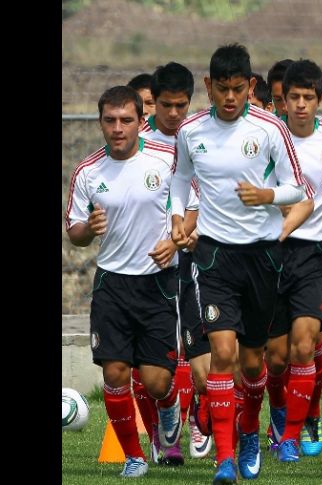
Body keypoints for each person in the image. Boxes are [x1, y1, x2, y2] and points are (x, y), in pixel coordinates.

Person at [170, 43, 314, 484]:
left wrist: (267, 195)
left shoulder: (271, 128)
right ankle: (225, 460)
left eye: (238, 90)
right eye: (222, 90)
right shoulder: (191, 131)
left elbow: (298, 189)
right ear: (209, 87)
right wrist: (178, 216)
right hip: (214, 255)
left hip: (264, 255)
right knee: (224, 354)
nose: (230, 99)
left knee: (256, 364)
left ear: (250, 86)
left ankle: (251, 427)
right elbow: (179, 178)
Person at [65, 85, 182, 478]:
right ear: (100, 122)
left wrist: (175, 239)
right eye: (110, 120)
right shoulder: (87, 171)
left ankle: (168, 406)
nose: (118, 128)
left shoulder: (167, 160)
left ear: (140, 122)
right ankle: (133, 456)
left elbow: (192, 207)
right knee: (114, 372)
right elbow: (75, 231)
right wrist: (88, 229)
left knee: (156, 380)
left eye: (126, 120)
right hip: (112, 283)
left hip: (157, 280)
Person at [260, 59, 322, 462]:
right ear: (283, 100)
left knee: (304, 345)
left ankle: (293, 432)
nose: (302, 105)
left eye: (309, 97)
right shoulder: (266, 137)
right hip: (271, 251)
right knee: (275, 357)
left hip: (316, 251)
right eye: (294, 97)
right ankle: (280, 412)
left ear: (320, 99)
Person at [138, 61, 215, 464]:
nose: (173, 114)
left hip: (192, 261)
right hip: (147, 267)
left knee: (205, 365)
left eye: (181, 106)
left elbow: (201, 198)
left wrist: (182, 235)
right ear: (153, 103)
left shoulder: (199, 139)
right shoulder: (136, 141)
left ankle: (203, 417)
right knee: (155, 370)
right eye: (165, 105)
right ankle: (166, 419)